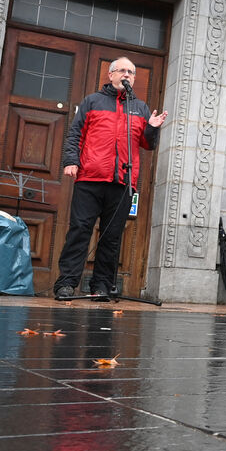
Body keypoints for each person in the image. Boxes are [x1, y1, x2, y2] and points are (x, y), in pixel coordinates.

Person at [53, 57, 167, 300]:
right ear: (110, 74)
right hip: (90, 178)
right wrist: (71, 160)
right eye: (122, 71)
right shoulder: (92, 101)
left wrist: (153, 127)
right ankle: (66, 283)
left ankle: (101, 286)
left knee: (112, 235)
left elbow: (148, 145)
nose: (126, 75)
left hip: (123, 181)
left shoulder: (140, 107)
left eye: (131, 72)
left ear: (134, 78)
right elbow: (75, 133)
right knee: (80, 230)